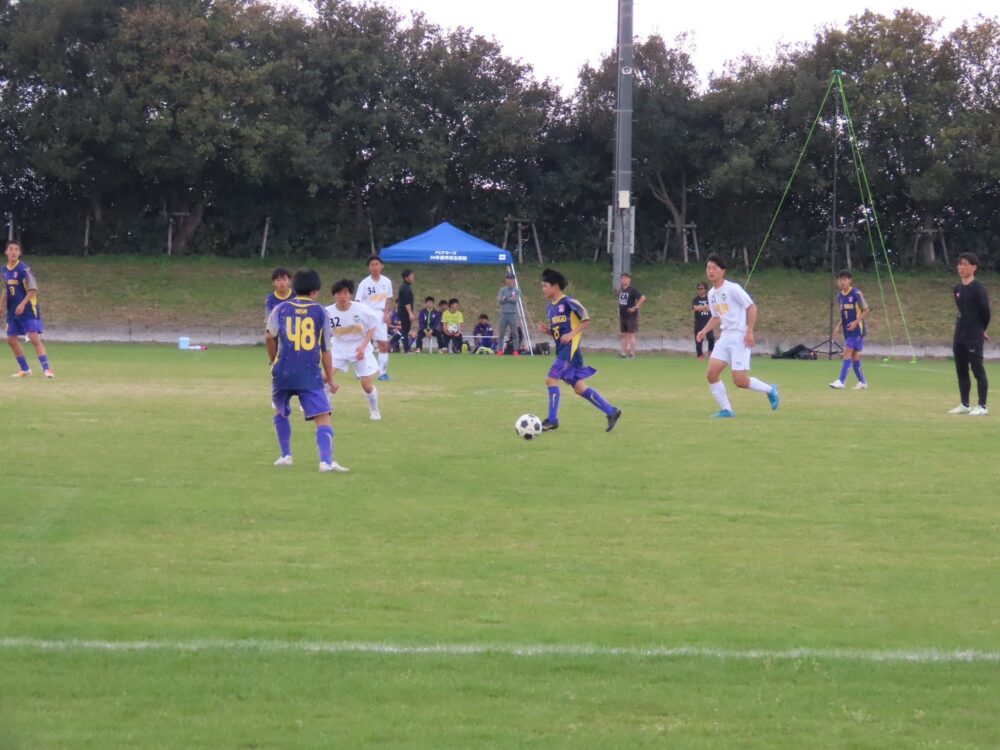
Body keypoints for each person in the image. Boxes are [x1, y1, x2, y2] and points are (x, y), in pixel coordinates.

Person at [265, 269, 348, 472]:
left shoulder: (281, 308)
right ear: (315, 291)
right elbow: (326, 349)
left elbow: (269, 336)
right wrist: (331, 378)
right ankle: (325, 462)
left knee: (281, 411)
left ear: (294, 287)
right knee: (323, 415)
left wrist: (273, 361)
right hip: (309, 373)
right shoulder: (321, 312)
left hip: (283, 371)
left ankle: (286, 456)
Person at [536, 268, 622, 432]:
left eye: (545, 286)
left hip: (569, 352)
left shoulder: (569, 302)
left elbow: (586, 319)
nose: (543, 289)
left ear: (555, 286)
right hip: (564, 351)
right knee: (579, 387)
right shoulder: (550, 308)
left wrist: (572, 334)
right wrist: (548, 331)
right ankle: (612, 411)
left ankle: (552, 420)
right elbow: (558, 333)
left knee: (550, 379)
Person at [695, 254, 780, 418]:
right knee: (711, 374)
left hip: (739, 337)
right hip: (725, 337)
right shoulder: (711, 293)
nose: (710, 271)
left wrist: (749, 331)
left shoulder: (733, 288)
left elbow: (752, 307)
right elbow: (716, 317)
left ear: (723, 271)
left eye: (714, 268)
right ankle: (726, 410)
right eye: (708, 267)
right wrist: (704, 330)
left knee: (740, 381)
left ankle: (770, 389)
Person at [325, 278, 383, 421]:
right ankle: (325, 406)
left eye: (345, 293)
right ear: (334, 295)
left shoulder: (361, 309)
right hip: (338, 347)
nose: (342, 296)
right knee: (325, 378)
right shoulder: (327, 312)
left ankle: (374, 409)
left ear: (350, 294)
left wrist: (363, 347)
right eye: (339, 293)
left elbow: (372, 326)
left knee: (366, 386)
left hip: (359, 346)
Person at [3, 241, 54, 378]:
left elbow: (33, 289)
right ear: (6, 252)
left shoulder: (24, 269)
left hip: (28, 308)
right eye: (11, 249)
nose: (13, 252)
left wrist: (22, 304)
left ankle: (47, 369)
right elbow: (6, 290)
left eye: (16, 249)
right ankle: (25, 369)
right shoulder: (4, 270)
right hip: (12, 311)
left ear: (19, 253)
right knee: (11, 340)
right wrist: (1, 306)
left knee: (34, 338)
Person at [949, 252, 990, 416]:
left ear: (973, 268)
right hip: (960, 334)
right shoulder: (957, 288)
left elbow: (985, 312)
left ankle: (982, 406)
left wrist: (982, 329)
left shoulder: (979, 289)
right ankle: (965, 404)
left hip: (974, 335)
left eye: (965, 264)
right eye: (959, 264)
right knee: (961, 370)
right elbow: (962, 310)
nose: (961, 267)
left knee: (977, 369)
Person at [828, 269, 870, 390]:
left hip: (857, 330)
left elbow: (866, 310)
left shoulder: (856, 293)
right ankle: (863, 382)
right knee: (855, 356)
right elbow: (843, 314)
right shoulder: (840, 297)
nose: (842, 282)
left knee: (847, 352)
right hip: (848, 330)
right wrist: (838, 326)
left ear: (850, 280)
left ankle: (841, 381)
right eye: (840, 279)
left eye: (845, 279)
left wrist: (855, 323)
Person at [355, 255, 393, 380]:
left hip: (380, 315)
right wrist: (358, 318)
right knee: (363, 344)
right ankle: (361, 372)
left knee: (383, 344)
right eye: (372, 265)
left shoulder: (387, 282)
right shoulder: (364, 283)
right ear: (369, 268)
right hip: (366, 314)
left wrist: (386, 313)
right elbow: (358, 301)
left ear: (382, 266)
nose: (375, 267)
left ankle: (382, 373)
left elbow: (388, 298)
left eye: (377, 264)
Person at [617, 272, 646, 358]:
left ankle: (632, 353)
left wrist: (635, 308)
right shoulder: (622, 290)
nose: (623, 280)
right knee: (623, 335)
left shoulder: (632, 290)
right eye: (622, 278)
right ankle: (623, 353)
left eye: (625, 278)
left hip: (631, 316)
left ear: (629, 280)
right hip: (623, 316)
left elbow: (643, 298)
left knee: (631, 334)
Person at [497, 272, 521, 355]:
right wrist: (508, 298)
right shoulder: (502, 290)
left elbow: (515, 300)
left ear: (514, 280)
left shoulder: (517, 290)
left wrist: (505, 298)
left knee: (514, 333)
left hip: (512, 314)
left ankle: (515, 350)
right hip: (504, 313)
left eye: (510, 279)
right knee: (501, 333)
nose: (509, 280)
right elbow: (500, 300)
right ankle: (500, 349)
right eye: (507, 279)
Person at [692, 282, 715, 359]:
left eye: (701, 288)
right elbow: (695, 308)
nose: (699, 290)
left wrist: (701, 308)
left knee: (711, 337)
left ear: (705, 289)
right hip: (699, 322)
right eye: (698, 289)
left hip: (708, 321)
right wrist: (705, 307)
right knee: (698, 339)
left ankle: (710, 352)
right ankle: (700, 355)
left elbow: (713, 308)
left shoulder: (709, 298)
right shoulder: (696, 299)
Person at [396, 269, 416, 353]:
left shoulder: (406, 287)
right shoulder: (405, 288)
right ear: (406, 278)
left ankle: (391, 344)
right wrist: (410, 313)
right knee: (404, 331)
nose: (413, 277)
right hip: (404, 313)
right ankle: (407, 349)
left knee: (404, 330)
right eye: (411, 276)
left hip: (404, 312)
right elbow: (407, 302)